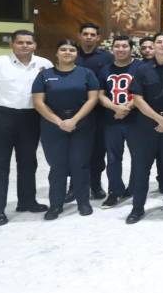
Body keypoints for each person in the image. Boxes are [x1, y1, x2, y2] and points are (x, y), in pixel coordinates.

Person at [0, 30, 52, 225]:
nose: (25, 46)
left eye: (29, 42)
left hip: (31, 118)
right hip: (2, 118)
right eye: (20, 42)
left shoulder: (44, 64)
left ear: (35, 45)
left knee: (28, 162)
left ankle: (27, 201)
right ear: (12, 44)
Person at [31, 39, 100, 220]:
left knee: (80, 164)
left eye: (71, 50)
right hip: (52, 125)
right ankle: (56, 204)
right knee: (57, 166)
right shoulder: (44, 75)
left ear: (76, 54)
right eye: (63, 49)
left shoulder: (86, 73)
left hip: (82, 123)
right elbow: (38, 102)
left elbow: (92, 99)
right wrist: (59, 122)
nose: (67, 52)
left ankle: (83, 202)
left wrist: (74, 120)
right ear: (57, 53)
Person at [126, 33, 163, 224]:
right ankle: (137, 208)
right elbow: (137, 99)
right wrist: (158, 119)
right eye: (159, 42)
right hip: (145, 126)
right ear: (153, 45)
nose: (162, 45)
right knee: (141, 169)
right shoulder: (142, 69)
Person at [97, 35, 140, 207]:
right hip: (112, 120)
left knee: (138, 157)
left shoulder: (140, 67)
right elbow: (100, 95)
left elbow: (143, 93)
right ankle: (114, 191)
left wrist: (126, 108)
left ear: (131, 48)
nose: (121, 49)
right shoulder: (105, 70)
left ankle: (135, 188)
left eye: (124, 46)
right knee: (113, 157)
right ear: (112, 48)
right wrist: (116, 108)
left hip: (136, 120)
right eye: (117, 46)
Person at [76, 22, 113, 200]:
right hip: (75, 110)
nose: (89, 37)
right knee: (75, 150)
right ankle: (74, 186)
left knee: (98, 150)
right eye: (85, 34)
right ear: (79, 36)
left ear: (98, 38)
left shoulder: (106, 57)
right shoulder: (71, 53)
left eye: (92, 34)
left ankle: (96, 185)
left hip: (99, 111)